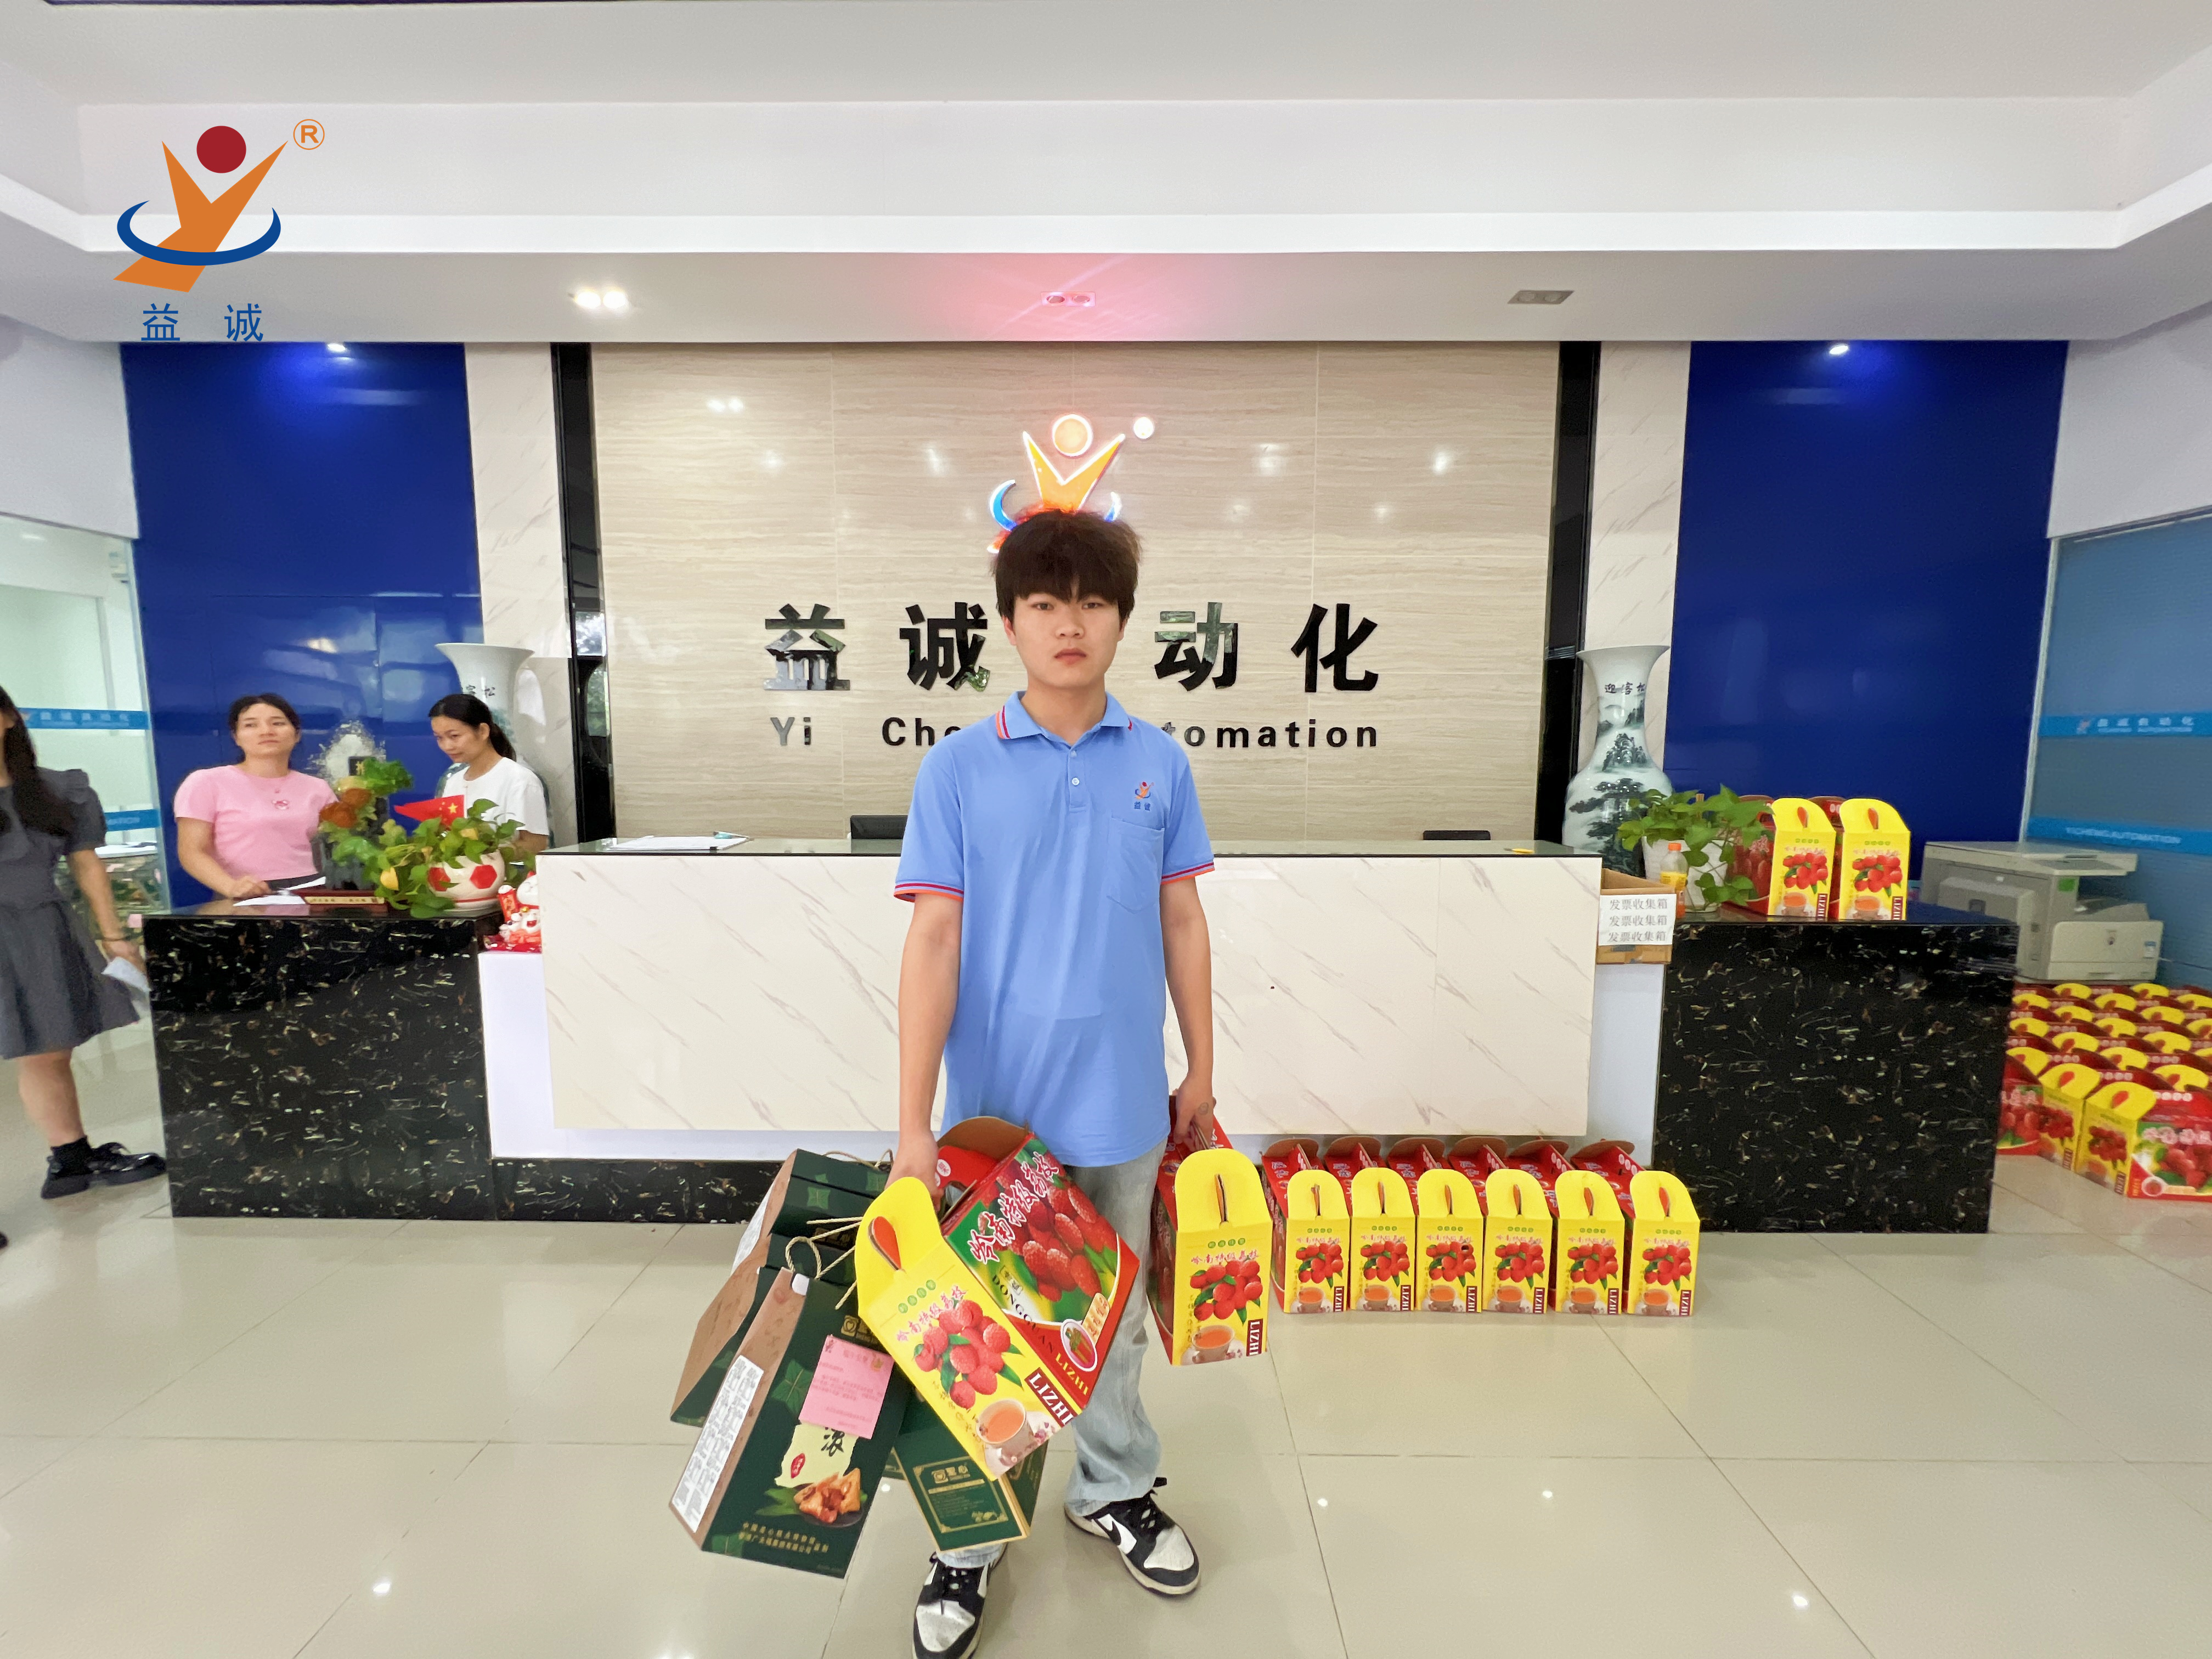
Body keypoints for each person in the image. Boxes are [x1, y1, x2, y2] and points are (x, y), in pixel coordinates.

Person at [890, 510, 1216, 1659]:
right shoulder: (958, 767)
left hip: (1124, 1100)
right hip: (996, 1120)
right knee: (980, 1328)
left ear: (1122, 620)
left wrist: (1202, 1067)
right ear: (1010, 621)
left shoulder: (1160, 761)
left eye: (1091, 602)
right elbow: (933, 941)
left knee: (1110, 1317)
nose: (1068, 624)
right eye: (1044, 603)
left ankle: (1112, 1486)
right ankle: (969, 1535)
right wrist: (913, 1125)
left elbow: (1183, 917)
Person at [0, 685, 165, 1212]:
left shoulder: (55, 790)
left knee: (50, 1047)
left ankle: (70, 1158)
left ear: (9, 719)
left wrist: (113, 933)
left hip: (43, 928)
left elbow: (86, 863)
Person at [174, 693, 336, 900]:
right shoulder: (206, 782)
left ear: (297, 734)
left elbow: (336, 847)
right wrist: (232, 887)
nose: (266, 731)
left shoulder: (318, 788)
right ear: (236, 737)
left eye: (278, 723)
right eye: (251, 725)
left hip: (314, 891)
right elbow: (192, 852)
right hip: (244, 895)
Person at [428, 693, 550, 854]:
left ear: (483, 731)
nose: (447, 746)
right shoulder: (453, 782)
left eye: (454, 736)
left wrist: (485, 856)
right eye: (439, 738)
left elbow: (536, 844)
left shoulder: (519, 779)